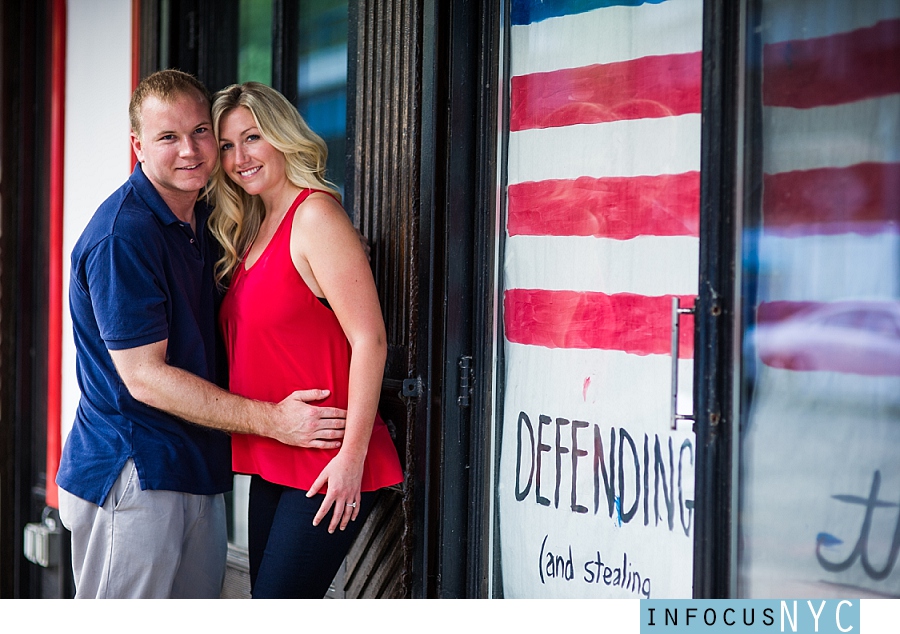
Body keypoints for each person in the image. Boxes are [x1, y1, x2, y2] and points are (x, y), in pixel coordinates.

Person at [56, 70, 347, 599]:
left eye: (199, 132)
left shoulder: (210, 218)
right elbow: (145, 378)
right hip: (133, 472)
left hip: (198, 467)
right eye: (168, 137)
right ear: (138, 147)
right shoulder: (125, 235)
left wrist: (344, 257)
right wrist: (274, 421)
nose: (189, 150)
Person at [209, 82, 403, 598]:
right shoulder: (252, 228)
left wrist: (351, 460)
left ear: (281, 135)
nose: (239, 157)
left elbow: (371, 340)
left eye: (252, 138)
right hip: (277, 452)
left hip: (327, 459)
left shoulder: (315, 216)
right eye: (227, 146)